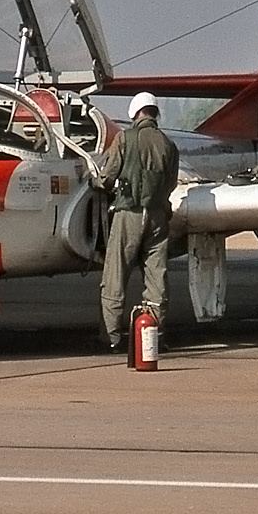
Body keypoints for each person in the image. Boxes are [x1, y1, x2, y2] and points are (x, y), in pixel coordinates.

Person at [96, 91, 180, 352]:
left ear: (134, 113)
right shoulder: (168, 144)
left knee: (115, 276)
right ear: (155, 114)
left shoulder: (124, 138)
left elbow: (107, 177)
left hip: (128, 214)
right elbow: (171, 184)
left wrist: (94, 181)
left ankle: (112, 338)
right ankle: (154, 337)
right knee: (157, 279)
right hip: (157, 218)